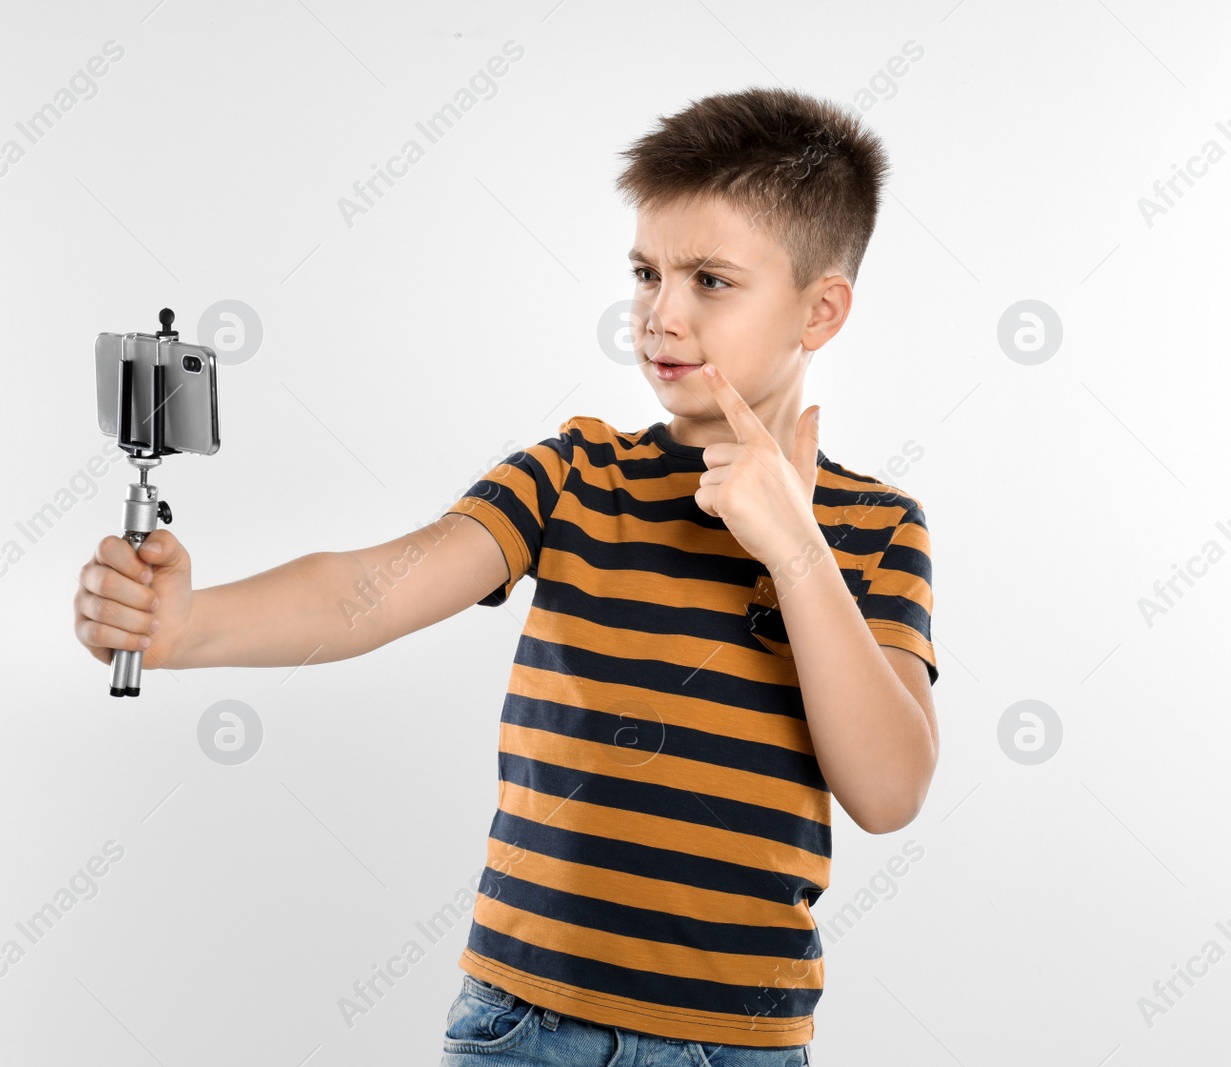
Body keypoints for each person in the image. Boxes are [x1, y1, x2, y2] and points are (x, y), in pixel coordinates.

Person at [72, 85, 938, 1067]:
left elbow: (887, 788)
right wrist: (188, 627)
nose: (659, 314)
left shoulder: (873, 529)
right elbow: (372, 589)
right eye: (646, 272)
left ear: (820, 309)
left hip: (738, 1043)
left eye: (709, 280)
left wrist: (795, 548)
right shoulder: (576, 474)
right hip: (527, 1027)